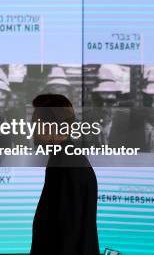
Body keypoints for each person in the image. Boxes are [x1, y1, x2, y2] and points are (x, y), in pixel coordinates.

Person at [30, 94, 99, 255]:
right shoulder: (66, 158)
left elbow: (66, 234)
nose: (32, 131)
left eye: (35, 125)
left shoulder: (65, 165)